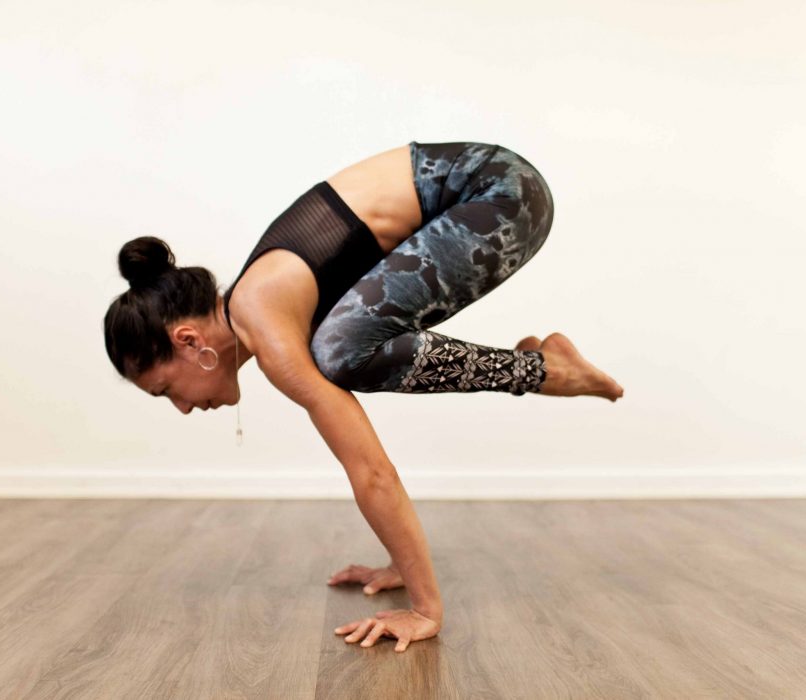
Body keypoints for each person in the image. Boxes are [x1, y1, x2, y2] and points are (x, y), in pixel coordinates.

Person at [102, 141, 624, 653]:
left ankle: (546, 370)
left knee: (339, 351)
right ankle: (545, 366)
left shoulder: (266, 325)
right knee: (341, 342)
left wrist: (425, 610)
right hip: (497, 191)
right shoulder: (263, 302)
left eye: (167, 390)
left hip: (503, 194)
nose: (183, 408)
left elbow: (371, 471)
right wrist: (401, 565)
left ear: (188, 342)